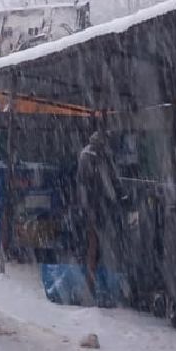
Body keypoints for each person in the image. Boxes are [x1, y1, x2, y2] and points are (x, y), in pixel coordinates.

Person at [74, 129, 123, 306]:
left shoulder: (89, 155)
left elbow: (87, 184)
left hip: (95, 208)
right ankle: (91, 286)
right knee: (94, 247)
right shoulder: (95, 156)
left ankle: (92, 284)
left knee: (93, 247)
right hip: (96, 208)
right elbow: (101, 183)